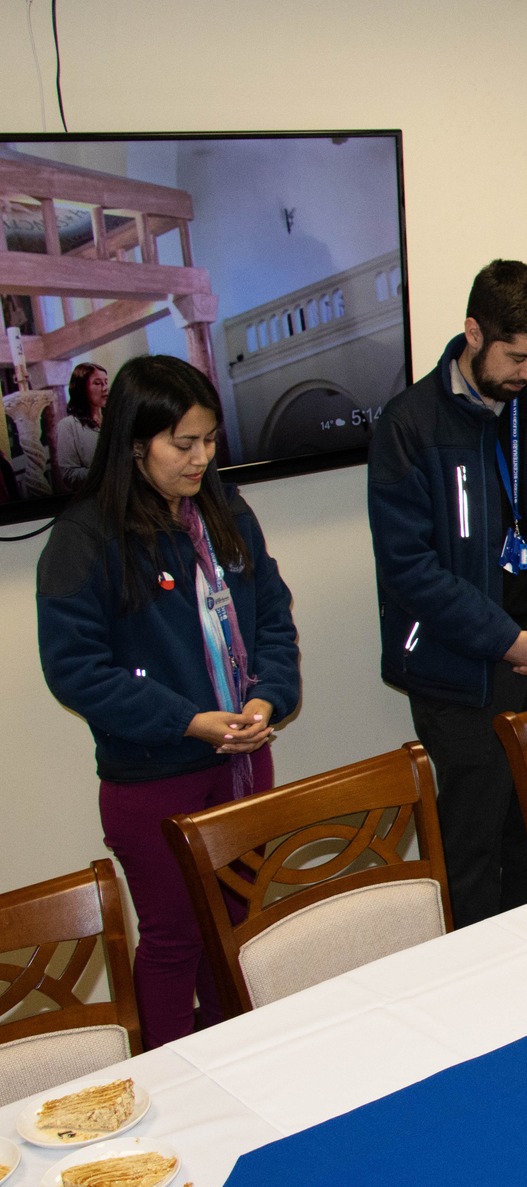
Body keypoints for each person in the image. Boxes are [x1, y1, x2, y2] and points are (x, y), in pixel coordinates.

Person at [36, 355, 300, 1049]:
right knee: (177, 938)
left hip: (242, 763)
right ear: (134, 441)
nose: (201, 457)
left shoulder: (224, 508)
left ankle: (235, 1059)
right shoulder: (85, 535)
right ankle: (174, 1084)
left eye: (209, 440)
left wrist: (269, 697)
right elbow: (76, 670)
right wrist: (186, 720)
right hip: (155, 778)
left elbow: (271, 610)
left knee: (236, 928)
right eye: (183, 443)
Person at [368, 260, 527, 928]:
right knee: (474, 848)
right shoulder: (410, 425)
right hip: (460, 672)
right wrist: (503, 641)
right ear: (473, 332)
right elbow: (408, 566)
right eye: (516, 356)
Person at [56, 362, 110, 490]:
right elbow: (69, 475)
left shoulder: (112, 419)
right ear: (82, 388)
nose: (105, 388)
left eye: (106, 382)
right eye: (97, 383)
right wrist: (108, 473)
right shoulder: (68, 425)